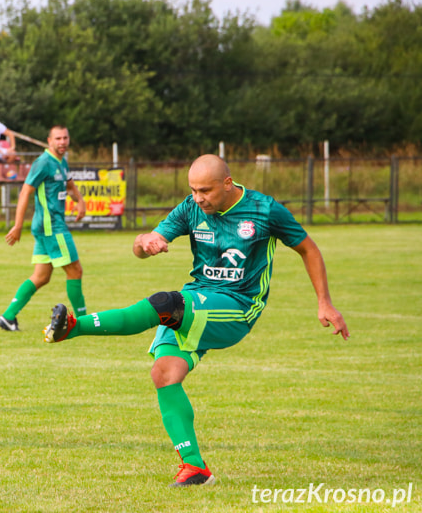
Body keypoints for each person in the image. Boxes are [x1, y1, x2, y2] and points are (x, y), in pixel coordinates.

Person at [43, 154, 349, 487]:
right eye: (193, 190)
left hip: (238, 306)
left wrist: (325, 303)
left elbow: (308, 248)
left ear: (227, 184)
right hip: (199, 296)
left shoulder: (265, 210)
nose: (198, 197)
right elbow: (141, 245)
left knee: (166, 303)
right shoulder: (191, 208)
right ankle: (195, 469)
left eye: (205, 190)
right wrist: (145, 243)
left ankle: (74, 328)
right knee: (164, 373)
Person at [0, 125, 86, 331]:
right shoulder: (43, 163)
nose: (62, 142)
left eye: (65, 138)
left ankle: (8, 317)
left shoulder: (62, 161)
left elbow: (70, 185)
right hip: (52, 227)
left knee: (41, 277)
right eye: (58, 138)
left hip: (48, 227)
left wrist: (80, 201)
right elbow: (25, 192)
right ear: (49, 141)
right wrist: (18, 225)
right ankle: (84, 322)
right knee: (75, 270)